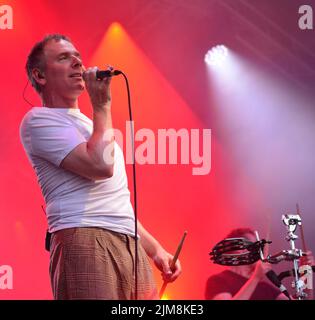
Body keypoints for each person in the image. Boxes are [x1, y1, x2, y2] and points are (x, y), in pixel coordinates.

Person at [20, 34, 181, 300]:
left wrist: (156, 250)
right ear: (40, 75)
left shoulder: (91, 125)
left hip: (130, 243)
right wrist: (103, 105)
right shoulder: (38, 121)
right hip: (84, 238)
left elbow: (115, 200)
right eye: (63, 57)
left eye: (77, 57)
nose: (77, 62)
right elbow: (100, 166)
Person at [205, 227, 314, 300]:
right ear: (240, 249)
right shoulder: (218, 281)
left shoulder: (266, 288)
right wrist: (255, 278)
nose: (261, 253)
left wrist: (306, 273)